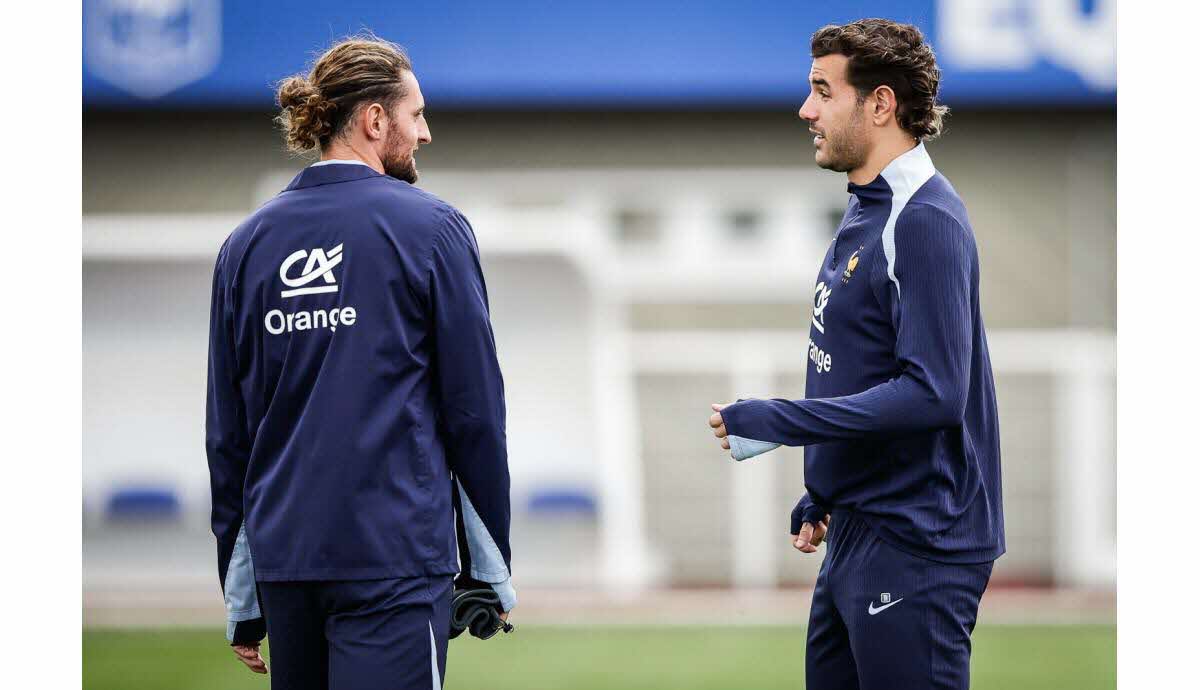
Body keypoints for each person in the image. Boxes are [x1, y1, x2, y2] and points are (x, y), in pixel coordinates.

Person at [205, 35, 514, 690]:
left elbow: (227, 435)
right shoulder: (434, 229)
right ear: (376, 120)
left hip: (286, 568)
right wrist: (489, 565)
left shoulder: (243, 247)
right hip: (394, 562)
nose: (425, 134)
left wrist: (242, 596)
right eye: (417, 115)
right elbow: (474, 411)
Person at [708, 19, 1004, 690]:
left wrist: (781, 421)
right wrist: (827, 485)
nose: (806, 110)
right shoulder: (865, 207)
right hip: (859, 531)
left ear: (879, 104)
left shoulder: (923, 218)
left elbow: (934, 393)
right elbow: (866, 367)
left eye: (822, 90)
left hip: (918, 546)